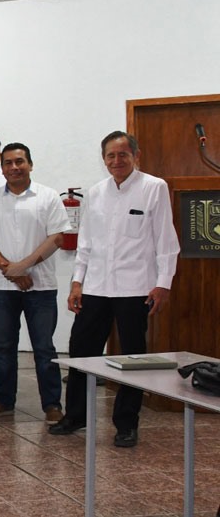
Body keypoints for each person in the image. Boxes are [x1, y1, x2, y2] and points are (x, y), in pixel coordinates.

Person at [50, 131, 180, 447]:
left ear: (136, 156)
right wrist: (77, 282)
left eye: (123, 154)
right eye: (111, 155)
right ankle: (76, 415)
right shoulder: (96, 192)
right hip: (96, 287)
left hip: (136, 288)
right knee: (81, 351)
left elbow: (166, 240)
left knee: (133, 357)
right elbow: (86, 243)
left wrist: (163, 283)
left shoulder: (154, 187)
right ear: (104, 159)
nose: (117, 160)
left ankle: (126, 423)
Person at [0, 143, 69, 424]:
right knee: (3, 347)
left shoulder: (48, 196)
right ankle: (3, 401)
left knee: (44, 348)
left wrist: (23, 266)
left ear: (30, 164)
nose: (14, 167)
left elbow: (57, 238)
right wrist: (10, 270)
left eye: (19, 161)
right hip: (2, 288)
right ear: (2, 168)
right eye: (8, 163)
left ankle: (52, 404)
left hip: (41, 286)